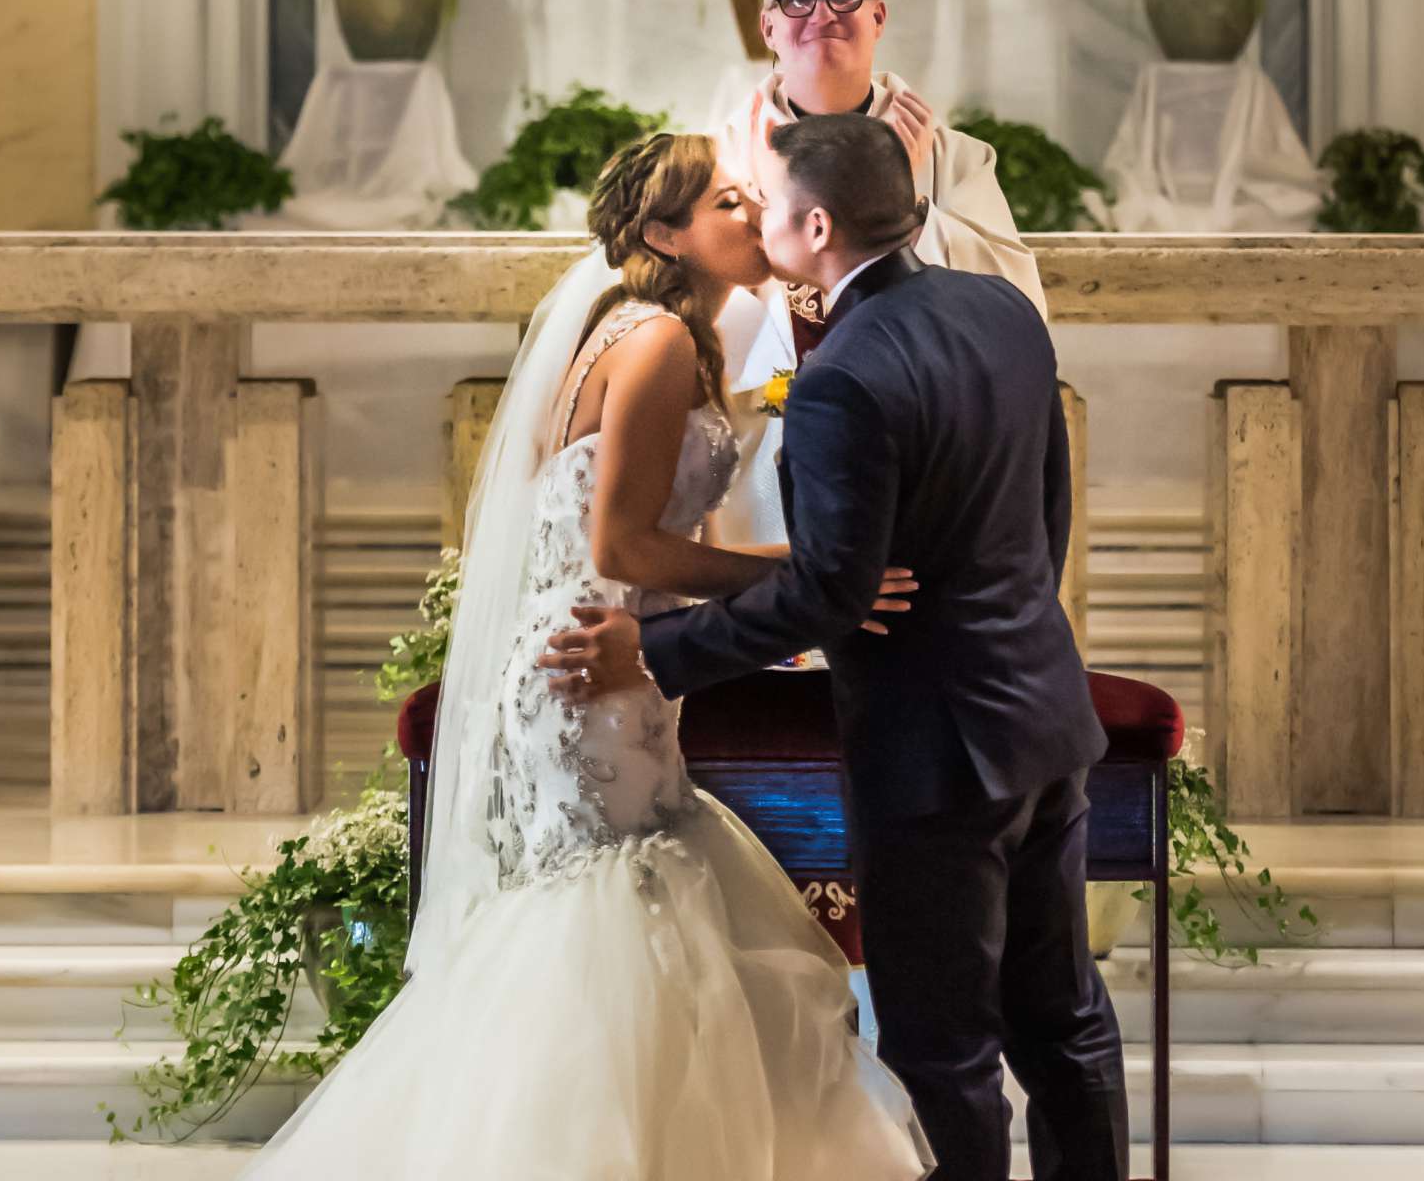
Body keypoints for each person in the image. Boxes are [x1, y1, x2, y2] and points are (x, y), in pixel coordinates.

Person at [241, 132, 929, 1180]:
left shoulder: (632, 332)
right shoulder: (653, 345)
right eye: (728, 207)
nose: (753, 218)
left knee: (611, 913)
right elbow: (621, 548)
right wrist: (804, 580)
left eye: (753, 202)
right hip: (592, 672)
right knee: (615, 920)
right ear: (666, 234)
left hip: (585, 660)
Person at [543, 115, 1128, 1181]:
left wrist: (656, 649)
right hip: (1044, 711)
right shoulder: (1001, 310)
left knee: (943, 1048)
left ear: (817, 224)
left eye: (767, 200)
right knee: (1065, 1018)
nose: (759, 216)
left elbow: (829, 595)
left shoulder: (843, 374)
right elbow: (1049, 516)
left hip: (935, 753)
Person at [707, 0, 1043, 546]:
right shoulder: (722, 159)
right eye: (797, 0)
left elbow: (1019, 311)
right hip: (759, 452)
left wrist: (914, 207)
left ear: (879, 14)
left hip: (920, 452)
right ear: (768, 28)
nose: (822, 15)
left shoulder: (952, 159)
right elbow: (681, 312)